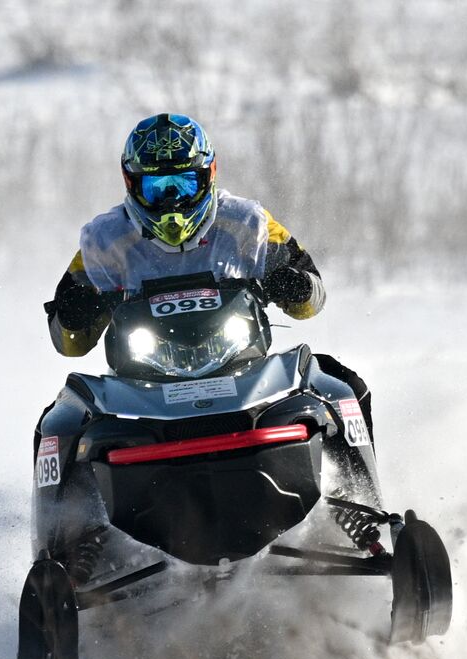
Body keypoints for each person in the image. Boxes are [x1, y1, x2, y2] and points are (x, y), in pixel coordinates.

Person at [43, 113, 370, 429]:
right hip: (140, 389)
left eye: (183, 183)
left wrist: (291, 285)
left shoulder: (249, 222)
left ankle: (359, 486)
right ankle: (71, 488)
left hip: (245, 372)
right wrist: (77, 312)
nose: (172, 200)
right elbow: (68, 344)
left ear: (208, 174)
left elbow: (312, 300)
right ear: (132, 183)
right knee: (61, 417)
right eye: (158, 187)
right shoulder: (103, 239)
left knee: (340, 384)